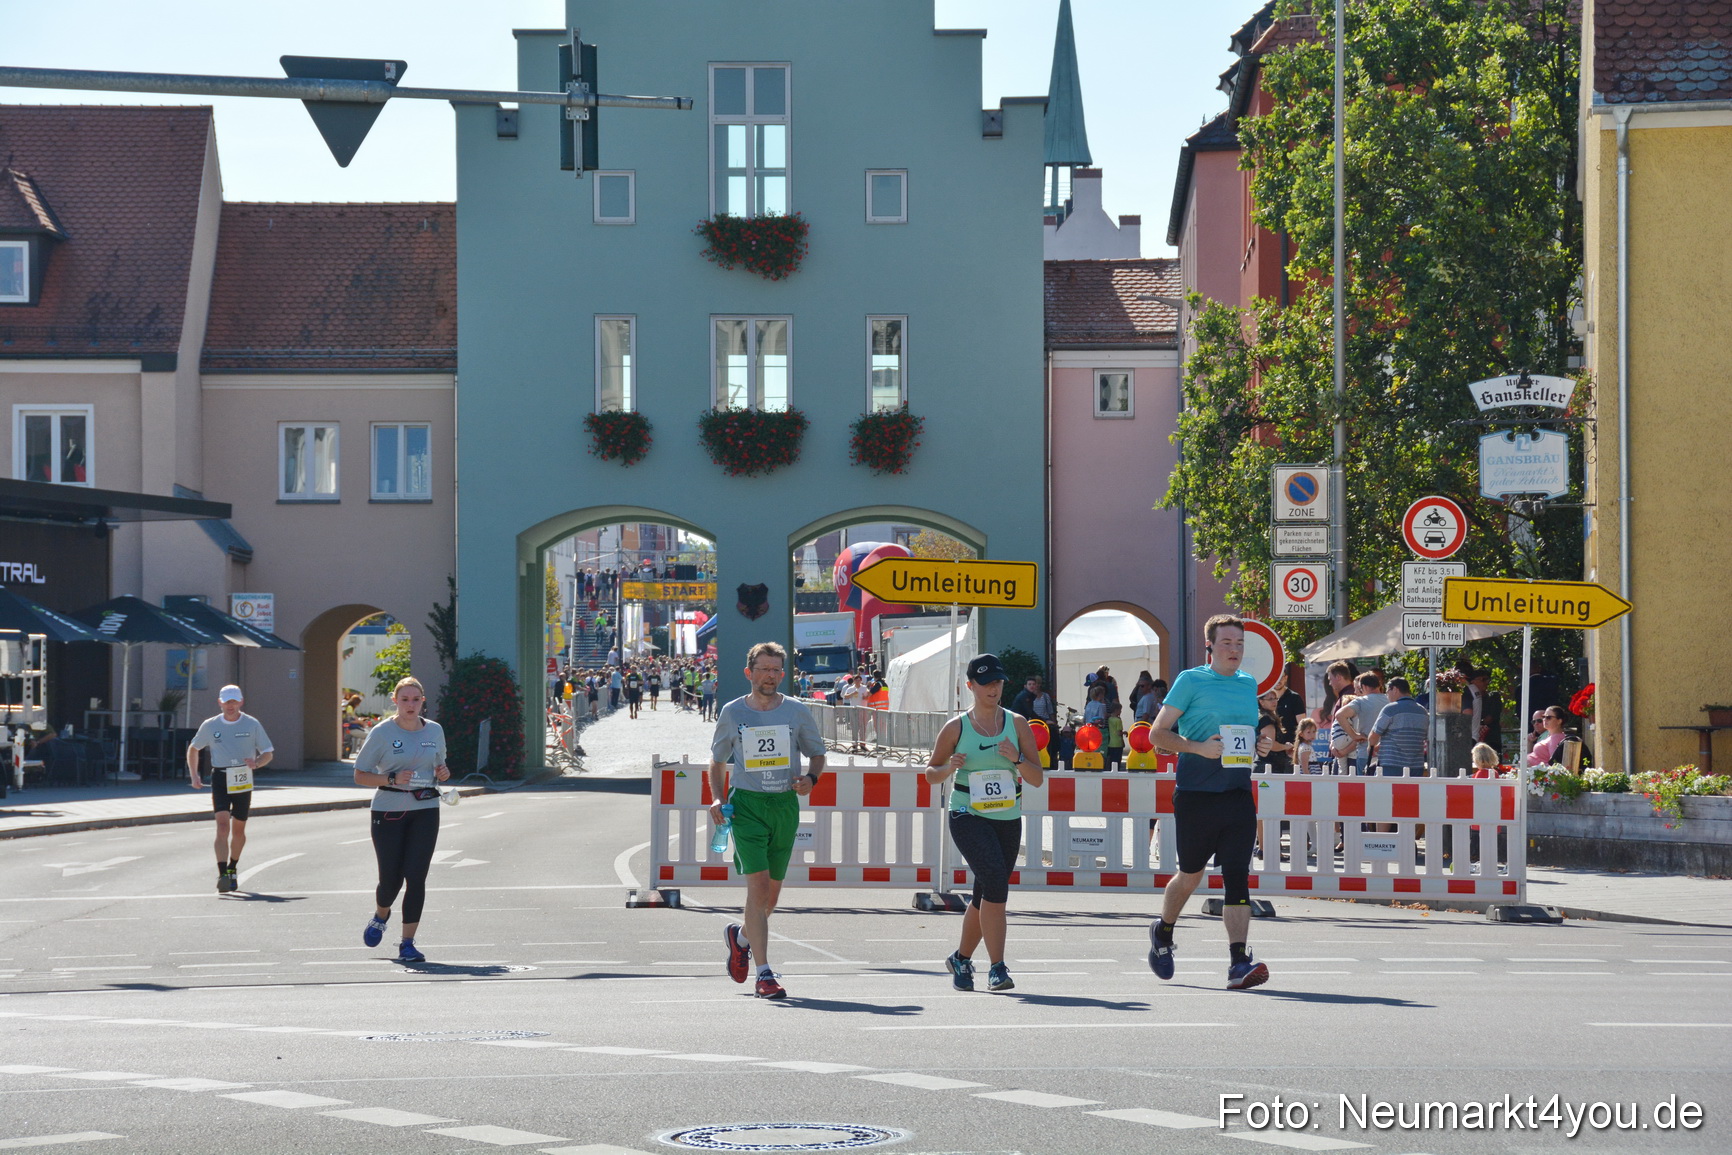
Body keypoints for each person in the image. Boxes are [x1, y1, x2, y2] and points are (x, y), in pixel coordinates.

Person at [1147, 614, 1274, 990]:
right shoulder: (1191, 680)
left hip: (1237, 793)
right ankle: (1163, 931)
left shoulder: (1248, 684)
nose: (1234, 650)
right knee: (1191, 875)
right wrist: (1197, 747)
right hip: (1197, 794)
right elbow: (1158, 734)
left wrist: (1260, 744)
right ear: (1210, 646)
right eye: (1226, 643)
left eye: (1239, 644)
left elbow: (1243, 735)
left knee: (1237, 877)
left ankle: (1238, 962)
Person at [710, 642, 826, 1000]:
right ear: (749, 672)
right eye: (763, 669)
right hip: (747, 805)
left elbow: (817, 753)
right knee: (758, 889)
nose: (770, 676)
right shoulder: (732, 712)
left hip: (784, 805)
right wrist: (718, 797)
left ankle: (741, 937)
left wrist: (811, 778)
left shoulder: (796, 711)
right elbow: (717, 761)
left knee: (770, 899)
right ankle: (764, 974)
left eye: (776, 670)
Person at [926, 654, 1044, 993]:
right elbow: (931, 773)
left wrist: (1017, 759)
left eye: (998, 682)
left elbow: (1037, 778)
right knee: (995, 882)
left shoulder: (1017, 724)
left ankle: (961, 958)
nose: (993, 688)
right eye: (986, 683)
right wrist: (949, 767)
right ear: (971, 686)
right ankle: (997, 967)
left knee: (986, 890)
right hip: (967, 814)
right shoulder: (956, 727)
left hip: (1006, 817)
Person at [354, 676, 450, 964]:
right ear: (395, 701)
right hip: (388, 810)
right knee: (390, 880)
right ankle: (381, 914)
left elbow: (440, 765)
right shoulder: (382, 732)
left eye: (416, 699)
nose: (411, 705)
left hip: (426, 807)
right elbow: (360, 775)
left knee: (416, 877)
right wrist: (391, 778)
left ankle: (407, 943)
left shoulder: (434, 730)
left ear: (423, 701)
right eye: (405, 700)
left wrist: (443, 772)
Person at [186, 685, 274, 894]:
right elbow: (193, 749)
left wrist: (257, 763)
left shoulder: (252, 724)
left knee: (238, 830)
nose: (230, 706)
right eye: (227, 702)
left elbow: (268, 752)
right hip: (220, 777)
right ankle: (222, 873)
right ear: (220, 703)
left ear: (241, 702)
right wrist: (194, 775)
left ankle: (233, 866)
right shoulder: (210, 725)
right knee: (222, 825)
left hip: (242, 777)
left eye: (234, 701)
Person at [1370, 677, 1429, 775]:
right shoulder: (1423, 711)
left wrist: (1370, 747)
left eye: (1387, 691)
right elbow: (1413, 736)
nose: (1387, 695)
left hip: (1391, 766)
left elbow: (1373, 736)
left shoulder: (1390, 709)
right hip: (1416, 767)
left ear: (1395, 689)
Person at [1468, 668, 1504, 754]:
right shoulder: (1468, 698)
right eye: (1483, 679)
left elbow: (1489, 719)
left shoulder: (1493, 697)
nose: (1486, 682)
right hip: (1474, 741)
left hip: (1491, 741)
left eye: (1487, 679)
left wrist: (1478, 722)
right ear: (1473, 682)